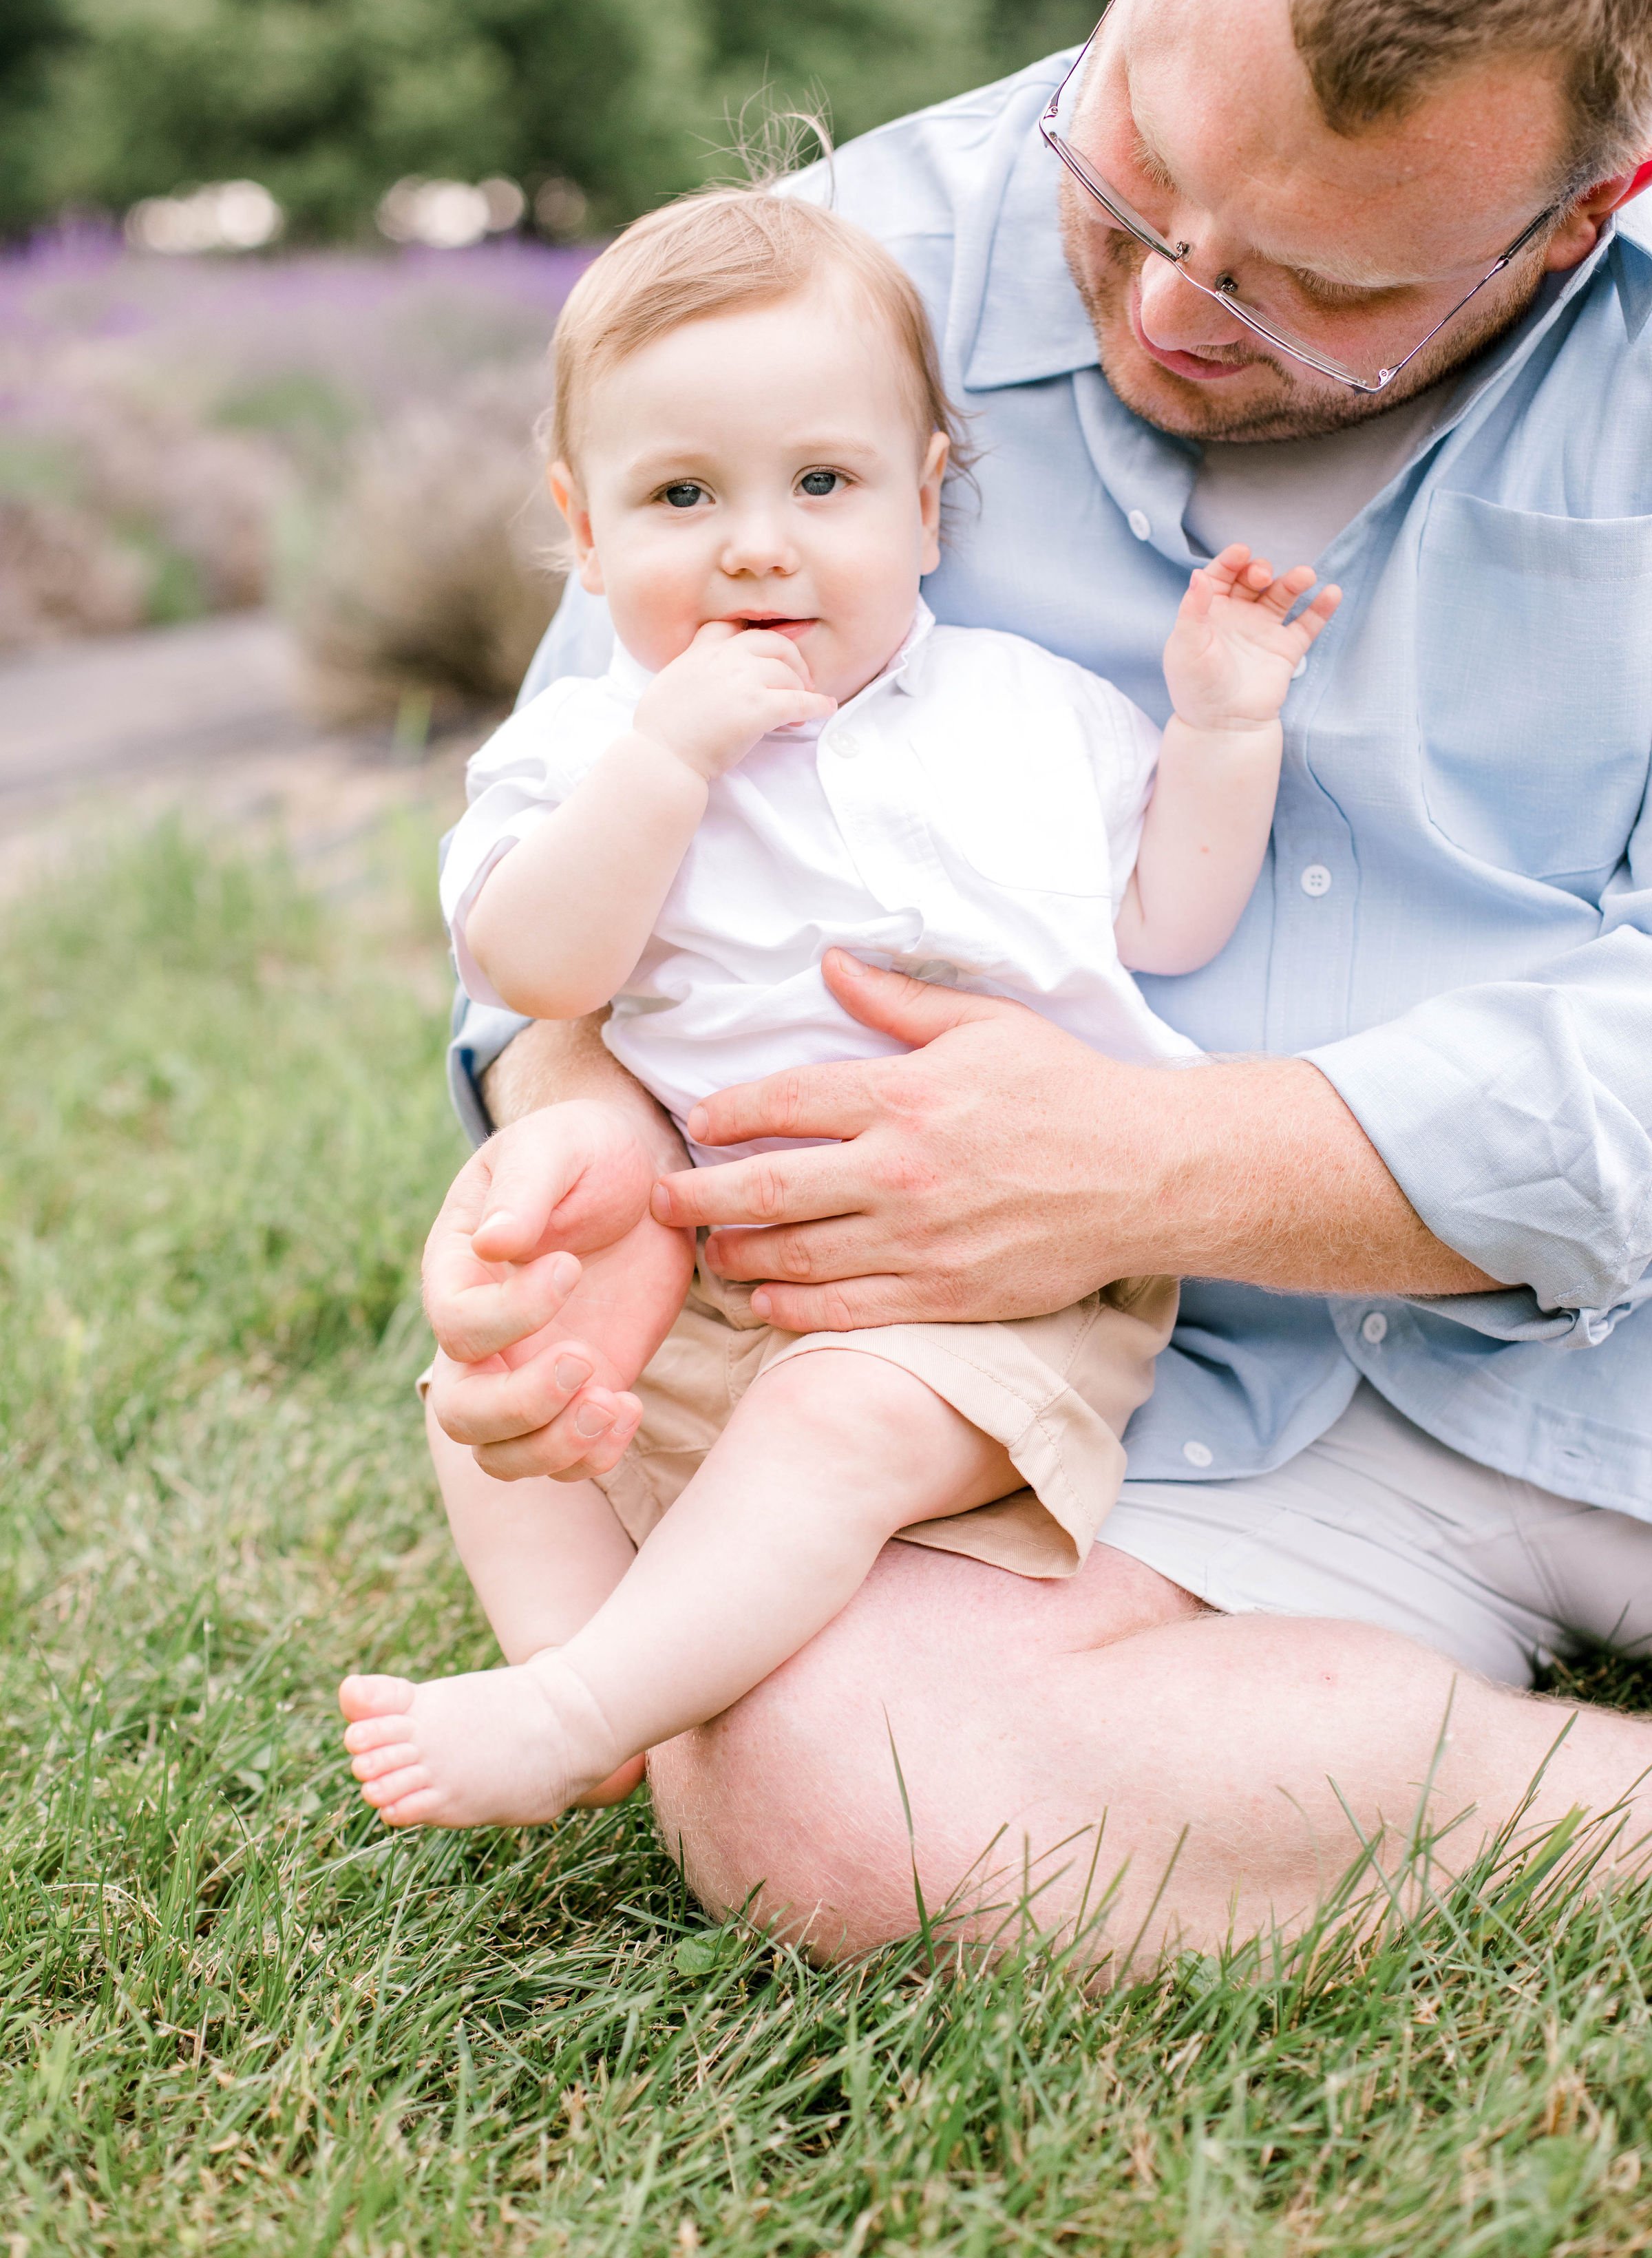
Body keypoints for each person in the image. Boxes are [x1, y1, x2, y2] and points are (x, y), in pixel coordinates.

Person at [418, 0, 1652, 1963]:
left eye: (1322, 285)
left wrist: (1176, 1161)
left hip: (1614, 1321)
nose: (1178, 300)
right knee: (837, 1786)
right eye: (1138, 167)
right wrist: (587, 1124)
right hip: (1169, 1423)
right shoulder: (818, 287)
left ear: (1582, 214)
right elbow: (569, 837)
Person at [338, 191, 1337, 1830]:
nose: (757, 543)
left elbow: (1171, 916)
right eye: (681, 496)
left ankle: (582, 1702)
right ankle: (585, 1679)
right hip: (707, 1255)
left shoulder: (1028, 716)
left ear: (926, 509)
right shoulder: (587, 748)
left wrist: (1224, 730)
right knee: (486, 1384)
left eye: (823, 484)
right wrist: (667, 761)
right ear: (585, 536)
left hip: (997, 1284)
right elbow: (534, 971)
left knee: (833, 1424)